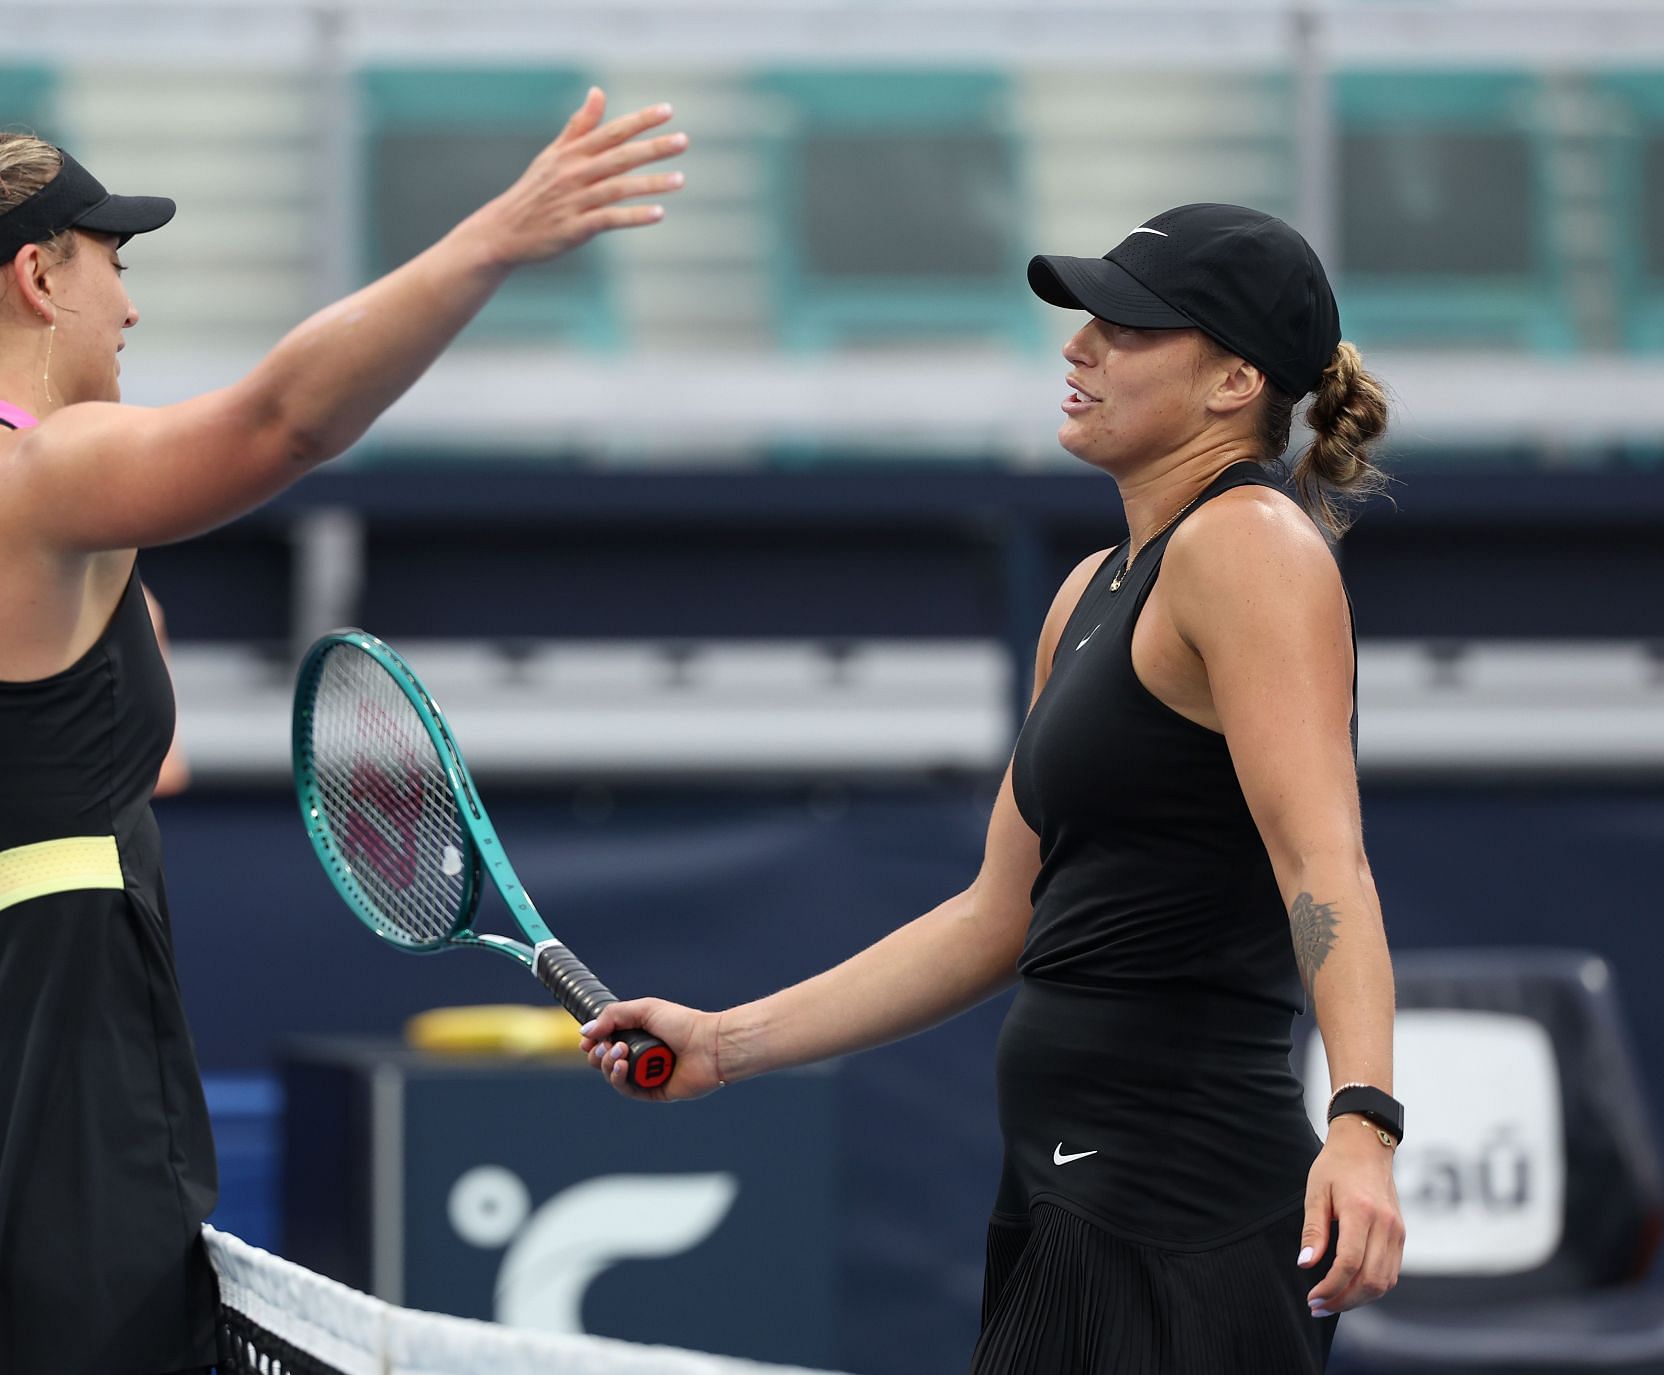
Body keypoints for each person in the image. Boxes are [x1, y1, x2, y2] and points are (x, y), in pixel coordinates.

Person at [0, 92, 684, 1374]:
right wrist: (494, 241)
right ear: (37, 276)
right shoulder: (39, 476)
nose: (130, 309)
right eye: (112, 268)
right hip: (47, 1175)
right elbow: (281, 424)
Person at [582, 204, 1405, 1374]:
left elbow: (1325, 864)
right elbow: (996, 916)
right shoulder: (1086, 595)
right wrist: (726, 1042)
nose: (1078, 347)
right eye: (1086, 320)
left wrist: (1364, 1122)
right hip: (1064, 1193)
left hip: (1181, 1210)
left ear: (1233, 379)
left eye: (1126, 327)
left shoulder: (1254, 547)